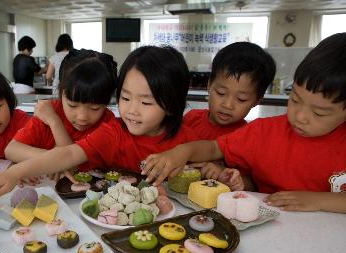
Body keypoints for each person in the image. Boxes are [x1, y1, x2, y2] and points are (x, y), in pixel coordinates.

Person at [142, 33, 346, 214]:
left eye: (319, 113)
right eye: (295, 99)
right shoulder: (263, 131)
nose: (300, 116)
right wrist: (183, 151)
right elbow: (215, 147)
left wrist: (318, 200)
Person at [0, 46, 199, 208]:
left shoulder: (187, 138)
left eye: (146, 102)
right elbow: (70, 153)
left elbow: (211, 153)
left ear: (171, 104)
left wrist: (190, 154)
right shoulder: (113, 131)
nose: (131, 110)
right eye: (126, 98)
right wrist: (14, 173)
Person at [5, 49, 117, 185]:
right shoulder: (49, 109)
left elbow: (73, 165)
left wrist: (55, 122)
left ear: (108, 102)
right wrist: (53, 162)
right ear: (61, 92)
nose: (82, 117)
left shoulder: (108, 122)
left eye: (95, 108)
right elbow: (11, 150)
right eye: (72, 105)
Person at [184, 42, 275, 180]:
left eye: (241, 99)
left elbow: (250, 183)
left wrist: (223, 172)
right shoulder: (190, 119)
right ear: (209, 85)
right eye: (221, 93)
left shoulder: (248, 137)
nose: (227, 105)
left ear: (257, 101)